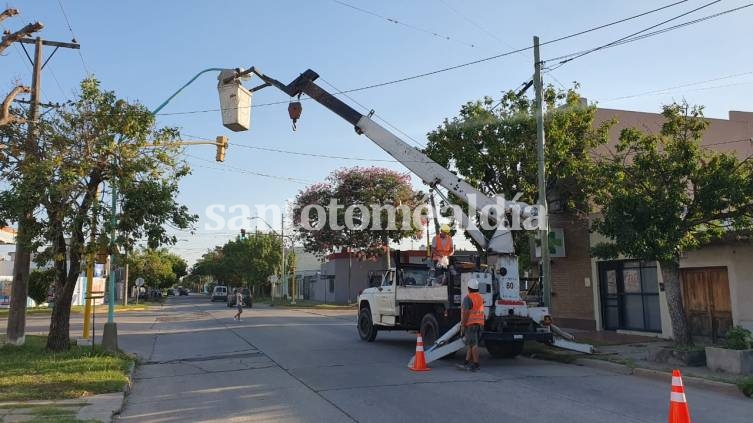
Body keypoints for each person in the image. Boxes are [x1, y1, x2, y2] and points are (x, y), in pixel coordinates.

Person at [459, 278, 484, 372]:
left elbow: (466, 313)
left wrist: (463, 325)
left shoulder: (468, 298)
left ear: (469, 288)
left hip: (471, 324)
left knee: (473, 344)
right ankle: (466, 362)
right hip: (479, 324)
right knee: (471, 343)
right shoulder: (480, 297)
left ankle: (476, 364)